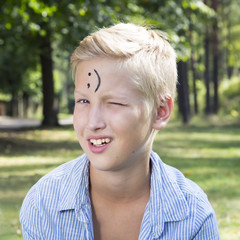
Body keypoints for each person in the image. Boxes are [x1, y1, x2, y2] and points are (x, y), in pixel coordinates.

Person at [20, 23, 220, 240]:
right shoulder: (43, 204)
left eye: (114, 103)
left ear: (160, 111)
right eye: (83, 100)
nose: (93, 122)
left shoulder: (193, 215)